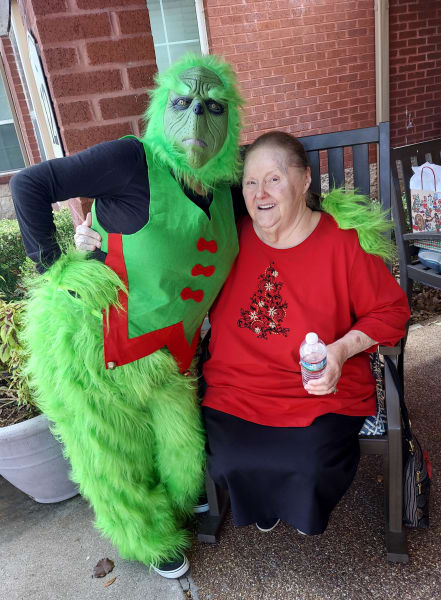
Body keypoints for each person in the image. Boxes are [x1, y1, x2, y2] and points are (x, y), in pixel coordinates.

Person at [11, 53, 244, 578]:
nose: (197, 120)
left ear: (231, 120)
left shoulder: (231, 188)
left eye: (213, 106)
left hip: (167, 352)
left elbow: (282, 201)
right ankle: (149, 538)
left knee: (182, 454)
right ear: (161, 107)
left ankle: (180, 503)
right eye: (182, 103)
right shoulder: (131, 159)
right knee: (116, 459)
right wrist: (56, 266)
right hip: (94, 339)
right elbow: (29, 185)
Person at [199, 131, 410, 535]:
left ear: (305, 180)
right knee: (230, 461)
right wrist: (100, 244)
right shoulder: (229, 240)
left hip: (318, 390)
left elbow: (390, 310)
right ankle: (263, 507)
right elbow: (172, 276)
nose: (260, 192)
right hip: (238, 388)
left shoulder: (342, 241)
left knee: (309, 463)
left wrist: (343, 349)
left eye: (274, 178)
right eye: (250, 182)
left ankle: (299, 508)